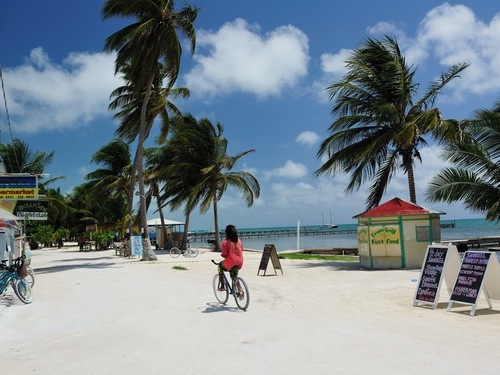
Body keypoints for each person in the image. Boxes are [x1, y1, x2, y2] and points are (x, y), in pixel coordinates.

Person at [217, 225, 244, 299]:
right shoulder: (239, 240)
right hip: (240, 262)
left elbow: (225, 255)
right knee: (234, 276)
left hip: (230, 262)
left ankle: (222, 286)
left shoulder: (225, 242)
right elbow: (241, 250)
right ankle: (239, 289)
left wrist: (222, 254)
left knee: (220, 266)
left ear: (227, 233)